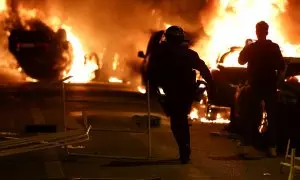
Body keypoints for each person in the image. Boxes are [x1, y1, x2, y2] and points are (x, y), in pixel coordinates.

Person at [146, 25, 215, 164]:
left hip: (172, 92)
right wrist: (212, 85)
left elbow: (151, 73)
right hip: (186, 93)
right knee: (180, 119)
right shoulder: (188, 54)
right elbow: (203, 69)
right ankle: (185, 149)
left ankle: (184, 149)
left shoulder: (161, 53)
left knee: (177, 121)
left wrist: (154, 89)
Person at [238, 21, 286, 157]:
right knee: (272, 116)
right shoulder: (274, 47)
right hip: (270, 86)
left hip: (255, 85)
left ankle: (249, 146)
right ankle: (272, 147)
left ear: (257, 32)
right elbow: (281, 66)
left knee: (251, 115)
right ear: (267, 32)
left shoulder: (252, 48)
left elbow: (241, 61)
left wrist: (245, 46)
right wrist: (278, 82)